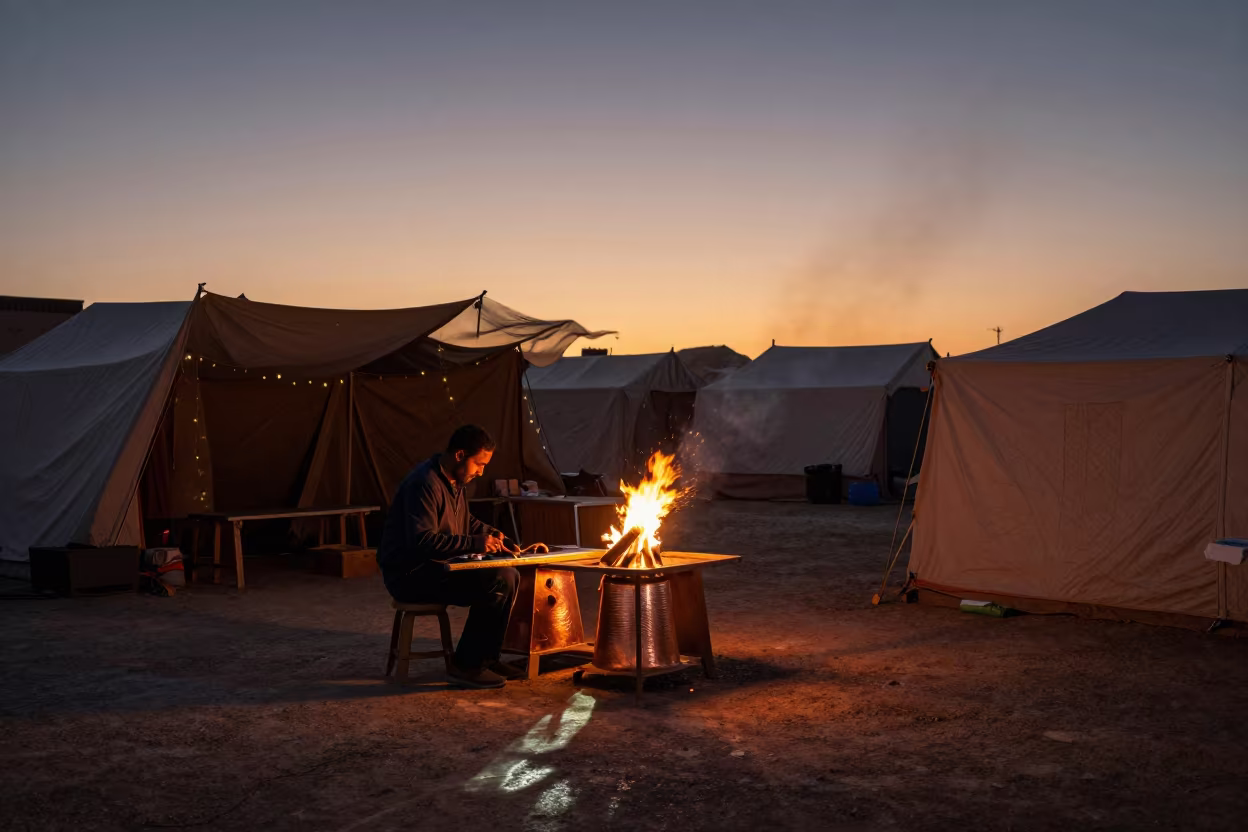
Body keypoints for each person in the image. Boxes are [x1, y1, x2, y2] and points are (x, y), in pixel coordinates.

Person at [377, 424, 545, 689]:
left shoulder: (454, 482)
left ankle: (486, 659)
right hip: (410, 574)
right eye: (478, 464)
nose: (481, 471)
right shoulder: (424, 484)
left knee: (509, 573)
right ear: (459, 455)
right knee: (499, 579)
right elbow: (422, 542)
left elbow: (465, 521)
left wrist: (494, 535)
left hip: (437, 569)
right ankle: (466, 666)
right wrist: (476, 543)